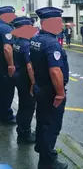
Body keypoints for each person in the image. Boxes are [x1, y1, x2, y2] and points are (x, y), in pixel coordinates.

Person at [30, 6, 69, 169]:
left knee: (42, 122)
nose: (61, 25)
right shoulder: (52, 44)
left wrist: (33, 83)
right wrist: (60, 94)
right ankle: (47, 162)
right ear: (49, 23)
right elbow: (55, 70)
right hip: (51, 92)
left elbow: (31, 65)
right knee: (51, 125)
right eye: (58, 22)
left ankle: (42, 151)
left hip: (40, 87)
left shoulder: (36, 39)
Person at [11, 16, 36, 144]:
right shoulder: (26, 44)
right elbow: (29, 66)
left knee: (22, 105)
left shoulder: (17, 42)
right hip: (25, 79)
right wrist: (33, 83)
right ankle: (25, 134)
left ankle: (21, 130)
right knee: (28, 107)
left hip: (18, 77)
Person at [0, 6, 17, 124]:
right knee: (7, 91)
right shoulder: (6, 28)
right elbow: (7, 48)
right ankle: (6, 116)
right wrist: (11, 65)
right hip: (3, 67)